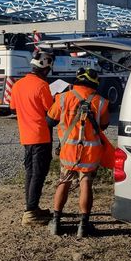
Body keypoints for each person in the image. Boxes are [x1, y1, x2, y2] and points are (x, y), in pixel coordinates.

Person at [46, 67, 110, 238]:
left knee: (64, 182)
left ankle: (56, 222)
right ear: (95, 83)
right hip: (90, 153)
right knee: (86, 184)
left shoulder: (62, 98)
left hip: (68, 151)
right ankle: (83, 225)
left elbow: (49, 121)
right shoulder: (101, 102)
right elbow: (104, 125)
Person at [9, 50, 55, 226]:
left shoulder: (18, 85)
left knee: (30, 172)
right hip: (41, 136)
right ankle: (30, 212)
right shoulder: (42, 86)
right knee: (38, 173)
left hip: (26, 136)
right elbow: (51, 112)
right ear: (45, 68)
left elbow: (13, 108)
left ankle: (32, 207)